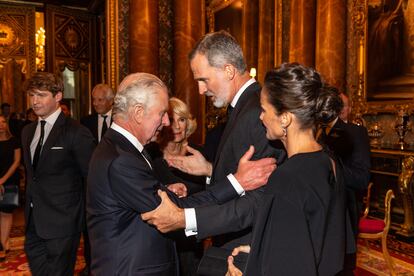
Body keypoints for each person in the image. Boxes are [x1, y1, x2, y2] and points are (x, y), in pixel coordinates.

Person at [141, 31, 284, 275]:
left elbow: (261, 196)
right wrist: (209, 170)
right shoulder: (244, 107)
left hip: (245, 248)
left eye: (204, 79)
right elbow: (245, 175)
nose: (200, 89)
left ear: (228, 71)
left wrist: (187, 219)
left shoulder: (256, 112)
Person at [224, 63, 351, 275]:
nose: (261, 117)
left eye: (264, 109)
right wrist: (261, 249)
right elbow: (319, 240)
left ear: (285, 118)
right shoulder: (329, 160)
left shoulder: (287, 178)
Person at [21, 72, 95, 275]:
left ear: (58, 96)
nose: (35, 101)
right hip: (33, 221)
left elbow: (90, 178)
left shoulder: (76, 131)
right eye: (32, 95)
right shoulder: (27, 132)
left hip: (64, 223)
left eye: (41, 95)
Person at [319, 87, 371, 275]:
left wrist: (328, 166)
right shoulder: (312, 131)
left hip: (343, 215)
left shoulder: (354, 133)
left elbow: (361, 178)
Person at [0, 114, 21, 260]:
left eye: (2, 122)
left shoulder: (14, 141)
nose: (1, 124)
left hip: (11, 181)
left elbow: (16, 162)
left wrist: (2, 180)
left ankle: (3, 243)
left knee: (6, 212)